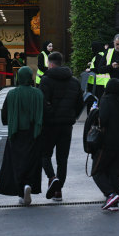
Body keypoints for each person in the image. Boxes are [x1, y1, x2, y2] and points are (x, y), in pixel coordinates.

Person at [39, 52, 84, 202]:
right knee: (62, 158)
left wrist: (50, 115)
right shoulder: (75, 82)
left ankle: (52, 178)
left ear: (50, 64)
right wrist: (72, 116)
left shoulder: (45, 80)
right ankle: (58, 191)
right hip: (67, 125)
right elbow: (80, 103)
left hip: (50, 125)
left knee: (44, 154)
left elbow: (43, 103)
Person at [0, 66, 43, 206]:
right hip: (34, 133)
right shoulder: (38, 93)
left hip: (16, 133)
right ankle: (29, 184)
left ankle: (21, 191)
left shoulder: (12, 94)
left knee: (16, 162)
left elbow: (4, 115)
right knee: (32, 161)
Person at [93, 78, 119, 212]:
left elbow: (102, 120)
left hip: (106, 143)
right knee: (114, 173)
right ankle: (114, 203)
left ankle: (110, 194)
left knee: (97, 171)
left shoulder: (105, 100)